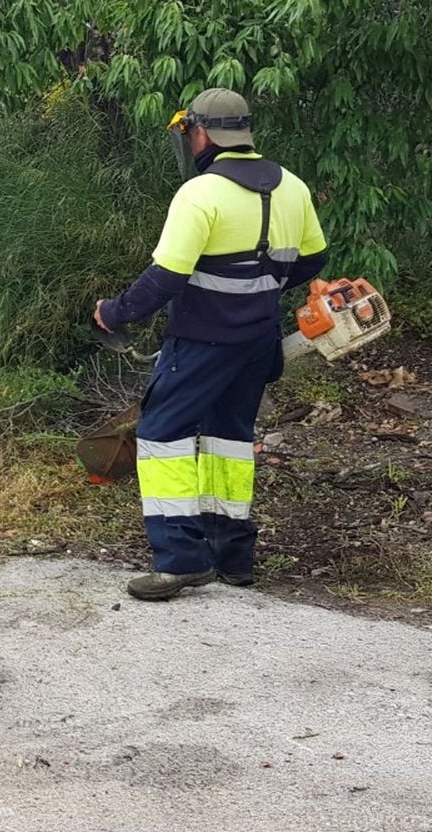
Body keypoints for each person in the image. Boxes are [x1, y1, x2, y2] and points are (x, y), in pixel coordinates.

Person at [94, 89, 328, 601]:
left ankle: (180, 561)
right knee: (229, 439)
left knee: (161, 434)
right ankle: (233, 559)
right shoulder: (293, 187)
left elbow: (165, 279)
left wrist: (114, 312)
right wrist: (258, 288)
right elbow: (311, 263)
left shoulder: (200, 194)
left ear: (199, 133)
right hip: (258, 341)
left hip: (202, 341)